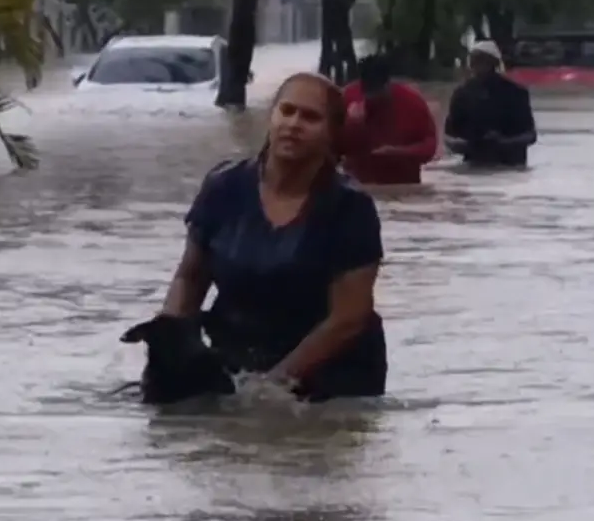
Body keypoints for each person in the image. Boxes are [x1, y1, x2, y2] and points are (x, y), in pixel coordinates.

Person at [159, 71, 388, 401]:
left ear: (331, 134)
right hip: (238, 354)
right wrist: (170, 338)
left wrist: (271, 385)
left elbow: (348, 318)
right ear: (271, 116)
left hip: (332, 373)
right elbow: (191, 277)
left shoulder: (351, 208)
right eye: (287, 111)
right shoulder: (223, 187)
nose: (294, 124)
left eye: (310, 117)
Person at [341, 54, 439, 185]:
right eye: (369, 94)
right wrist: (351, 125)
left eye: (378, 93)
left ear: (388, 84)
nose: (373, 99)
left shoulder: (413, 102)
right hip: (359, 186)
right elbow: (332, 148)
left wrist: (399, 153)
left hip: (404, 186)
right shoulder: (347, 98)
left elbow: (430, 147)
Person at [444, 40, 538, 168]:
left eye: (483, 61)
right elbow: (449, 137)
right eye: (475, 61)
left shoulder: (516, 93)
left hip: (511, 164)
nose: (477, 66)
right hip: (474, 162)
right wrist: (470, 145)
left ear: (494, 63)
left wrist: (504, 143)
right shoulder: (462, 94)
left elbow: (530, 135)